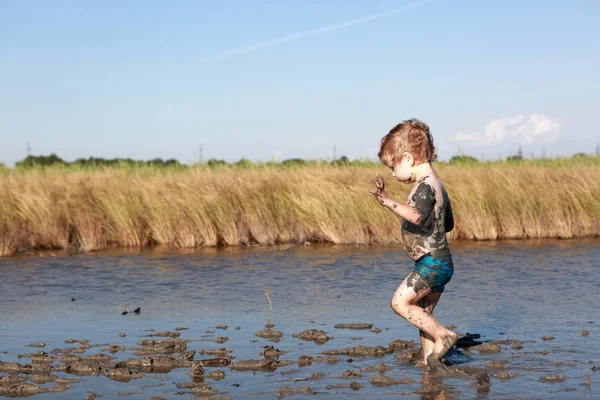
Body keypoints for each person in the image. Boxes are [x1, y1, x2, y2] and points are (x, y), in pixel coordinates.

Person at [370, 118, 458, 372]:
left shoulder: (424, 187)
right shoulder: (437, 184)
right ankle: (430, 361)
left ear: (407, 159)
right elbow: (448, 223)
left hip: (431, 263)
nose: (393, 174)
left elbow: (418, 216)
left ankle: (445, 336)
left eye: (392, 166)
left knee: (399, 303)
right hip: (441, 262)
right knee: (422, 315)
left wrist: (388, 202)